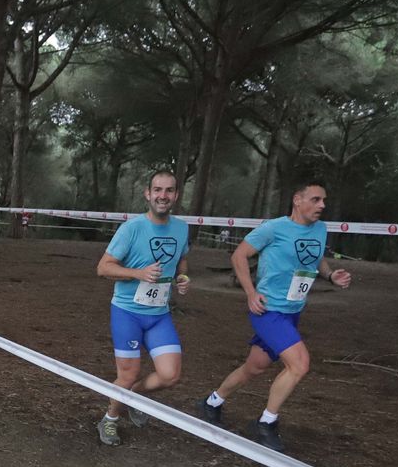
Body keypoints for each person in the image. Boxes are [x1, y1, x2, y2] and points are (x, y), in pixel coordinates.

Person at [196, 179, 352, 452]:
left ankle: (211, 402)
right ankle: (266, 423)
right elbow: (239, 256)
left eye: (323, 200)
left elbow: (315, 258)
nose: (322, 205)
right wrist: (250, 292)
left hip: (293, 311)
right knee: (299, 364)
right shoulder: (274, 228)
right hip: (268, 310)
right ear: (297, 200)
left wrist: (330, 274)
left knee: (254, 367)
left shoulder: (320, 229)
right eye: (316, 199)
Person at [95, 170, 191, 447]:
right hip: (128, 313)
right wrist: (138, 273)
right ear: (147, 194)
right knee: (128, 375)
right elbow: (103, 268)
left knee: (170, 375)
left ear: (176, 195)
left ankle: (132, 398)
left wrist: (183, 280)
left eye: (169, 190)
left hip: (159, 315)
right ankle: (110, 419)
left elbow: (181, 261)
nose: (163, 196)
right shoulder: (132, 228)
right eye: (158, 190)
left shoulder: (182, 228)